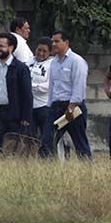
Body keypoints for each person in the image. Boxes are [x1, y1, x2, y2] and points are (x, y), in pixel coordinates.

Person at [41, 30, 92, 159]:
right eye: (52, 41)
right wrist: (49, 106)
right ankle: (48, 169)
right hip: (56, 106)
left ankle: (87, 168)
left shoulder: (76, 61)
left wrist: (71, 108)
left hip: (73, 107)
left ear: (66, 42)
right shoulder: (53, 62)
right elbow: (52, 86)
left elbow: (79, 86)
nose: (54, 44)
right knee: (47, 139)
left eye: (57, 41)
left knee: (80, 142)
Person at [0, 33, 32, 155]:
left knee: (15, 148)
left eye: (2, 46)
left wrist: (26, 117)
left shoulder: (21, 68)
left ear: (11, 48)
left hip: (15, 115)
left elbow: (27, 94)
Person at [27, 37, 53, 140]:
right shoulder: (29, 62)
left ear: (50, 52)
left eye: (44, 51)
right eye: (39, 50)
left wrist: (30, 86)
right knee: (30, 136)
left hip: (44, 106)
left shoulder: (52, 65)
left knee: (46, 135)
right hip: (29, 107)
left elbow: (47, 86)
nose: (41, 53)